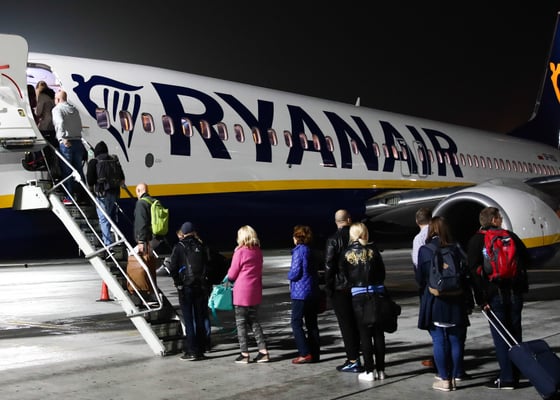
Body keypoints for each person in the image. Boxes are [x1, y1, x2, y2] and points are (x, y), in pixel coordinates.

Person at [467, 207, 529, 390]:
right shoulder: (510, 237)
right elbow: (526, 259)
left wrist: (481, 299)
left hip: (493, 294)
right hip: (515, 293)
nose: (501, 220)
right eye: (499, 217)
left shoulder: (476, 240)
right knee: (515, 334)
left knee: (501, 337)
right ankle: (517, 371)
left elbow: (474, 272)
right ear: (493, 220)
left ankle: (507, 378)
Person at [417, 216, 472, 392]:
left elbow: (420, 278)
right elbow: (465, 274)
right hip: (456, 299)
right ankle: (455, 375)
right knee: (456, 340)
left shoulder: (425, 250)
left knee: (439, 340)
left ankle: (444, 378)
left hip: (436, 300)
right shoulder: (456, 249)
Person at [342, 222, 387, 382]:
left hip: (359, 295)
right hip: (376, 293)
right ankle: (381, 370)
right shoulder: (374, 251)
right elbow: (382, 273)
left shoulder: (347, 252)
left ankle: (369, 370)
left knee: (365, 334)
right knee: (378, 334)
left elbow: (344, 275)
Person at [324, 209, 363, 373]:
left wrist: (328, 288)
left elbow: (329, 265)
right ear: (349, 219)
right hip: (358, 286)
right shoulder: (358, 238)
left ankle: (353, 359)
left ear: (336, 222)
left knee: (346, 325)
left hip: (341, 288)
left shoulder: (333, 240)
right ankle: (363, 354)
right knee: (359, 323)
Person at [226, 225, 270, 364]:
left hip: (242, 292)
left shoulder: (240, 252)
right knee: (254, 321)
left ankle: (244, 354)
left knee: (240, 324)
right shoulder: (258, 252)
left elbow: (232, 274)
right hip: (255, 291)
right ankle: (263, 351)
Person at [168, 222, 209, 361]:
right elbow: (208, 264)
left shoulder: (179, 247)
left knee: (189, 319)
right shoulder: (201, 245)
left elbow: (172, 268)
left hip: (186, 287)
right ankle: (201, 349)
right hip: (200, 286)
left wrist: (178, 282)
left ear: (183, 233)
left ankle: (191, 350)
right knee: (200, 318)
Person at [288, 225, 321, 364]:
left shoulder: (299, 251)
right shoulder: (311, 250)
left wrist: (289, 275)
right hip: (312, 290)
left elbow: (295, 272)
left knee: (296, 322)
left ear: (297, 237)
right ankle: (315, 353)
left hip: (300, 292)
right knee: (312, 323)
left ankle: (304, 352)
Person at [86, 141, 125, 246]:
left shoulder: (94, 161)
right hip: (114, 192)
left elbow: (90, 179)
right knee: (110, 216)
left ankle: (108, 245)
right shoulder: (113, 160)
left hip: (101, 193)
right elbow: (122, 177)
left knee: (103, 219)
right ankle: (115, 240)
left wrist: (91, 189)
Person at [412, 207, 435, 369]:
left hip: (429, 285)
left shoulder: (419, 238)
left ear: (417, 221)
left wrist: (421, 283)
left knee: (433, 324)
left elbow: (417, 264)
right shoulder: (440, 234)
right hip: (448, 284)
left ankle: (440, 359)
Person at [52, 90, 85, 202]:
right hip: (78, 141)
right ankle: (83, 195)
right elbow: (79, 125)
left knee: (67, 171)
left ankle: (69, 197)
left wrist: (61, 137)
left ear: (58, 99)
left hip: (67, 142)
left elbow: (60, 122)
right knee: (78, 170)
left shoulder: (57, 109)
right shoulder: (74, 109)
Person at [133, 183, 161, 256]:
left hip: (148, 239)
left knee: (132, 255)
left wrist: (141, 241)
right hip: (157, 237)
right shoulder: (154, 201)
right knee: (149, 257)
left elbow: (141, 222)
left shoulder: (141, 203)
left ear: (138, 190)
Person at [35, 81, 56, 147]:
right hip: (54, 121)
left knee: (43, 142)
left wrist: (34, 110)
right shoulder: (52, 94)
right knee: (52, 141)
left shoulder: (42, 96)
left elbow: (38, 112)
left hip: (45, 122)